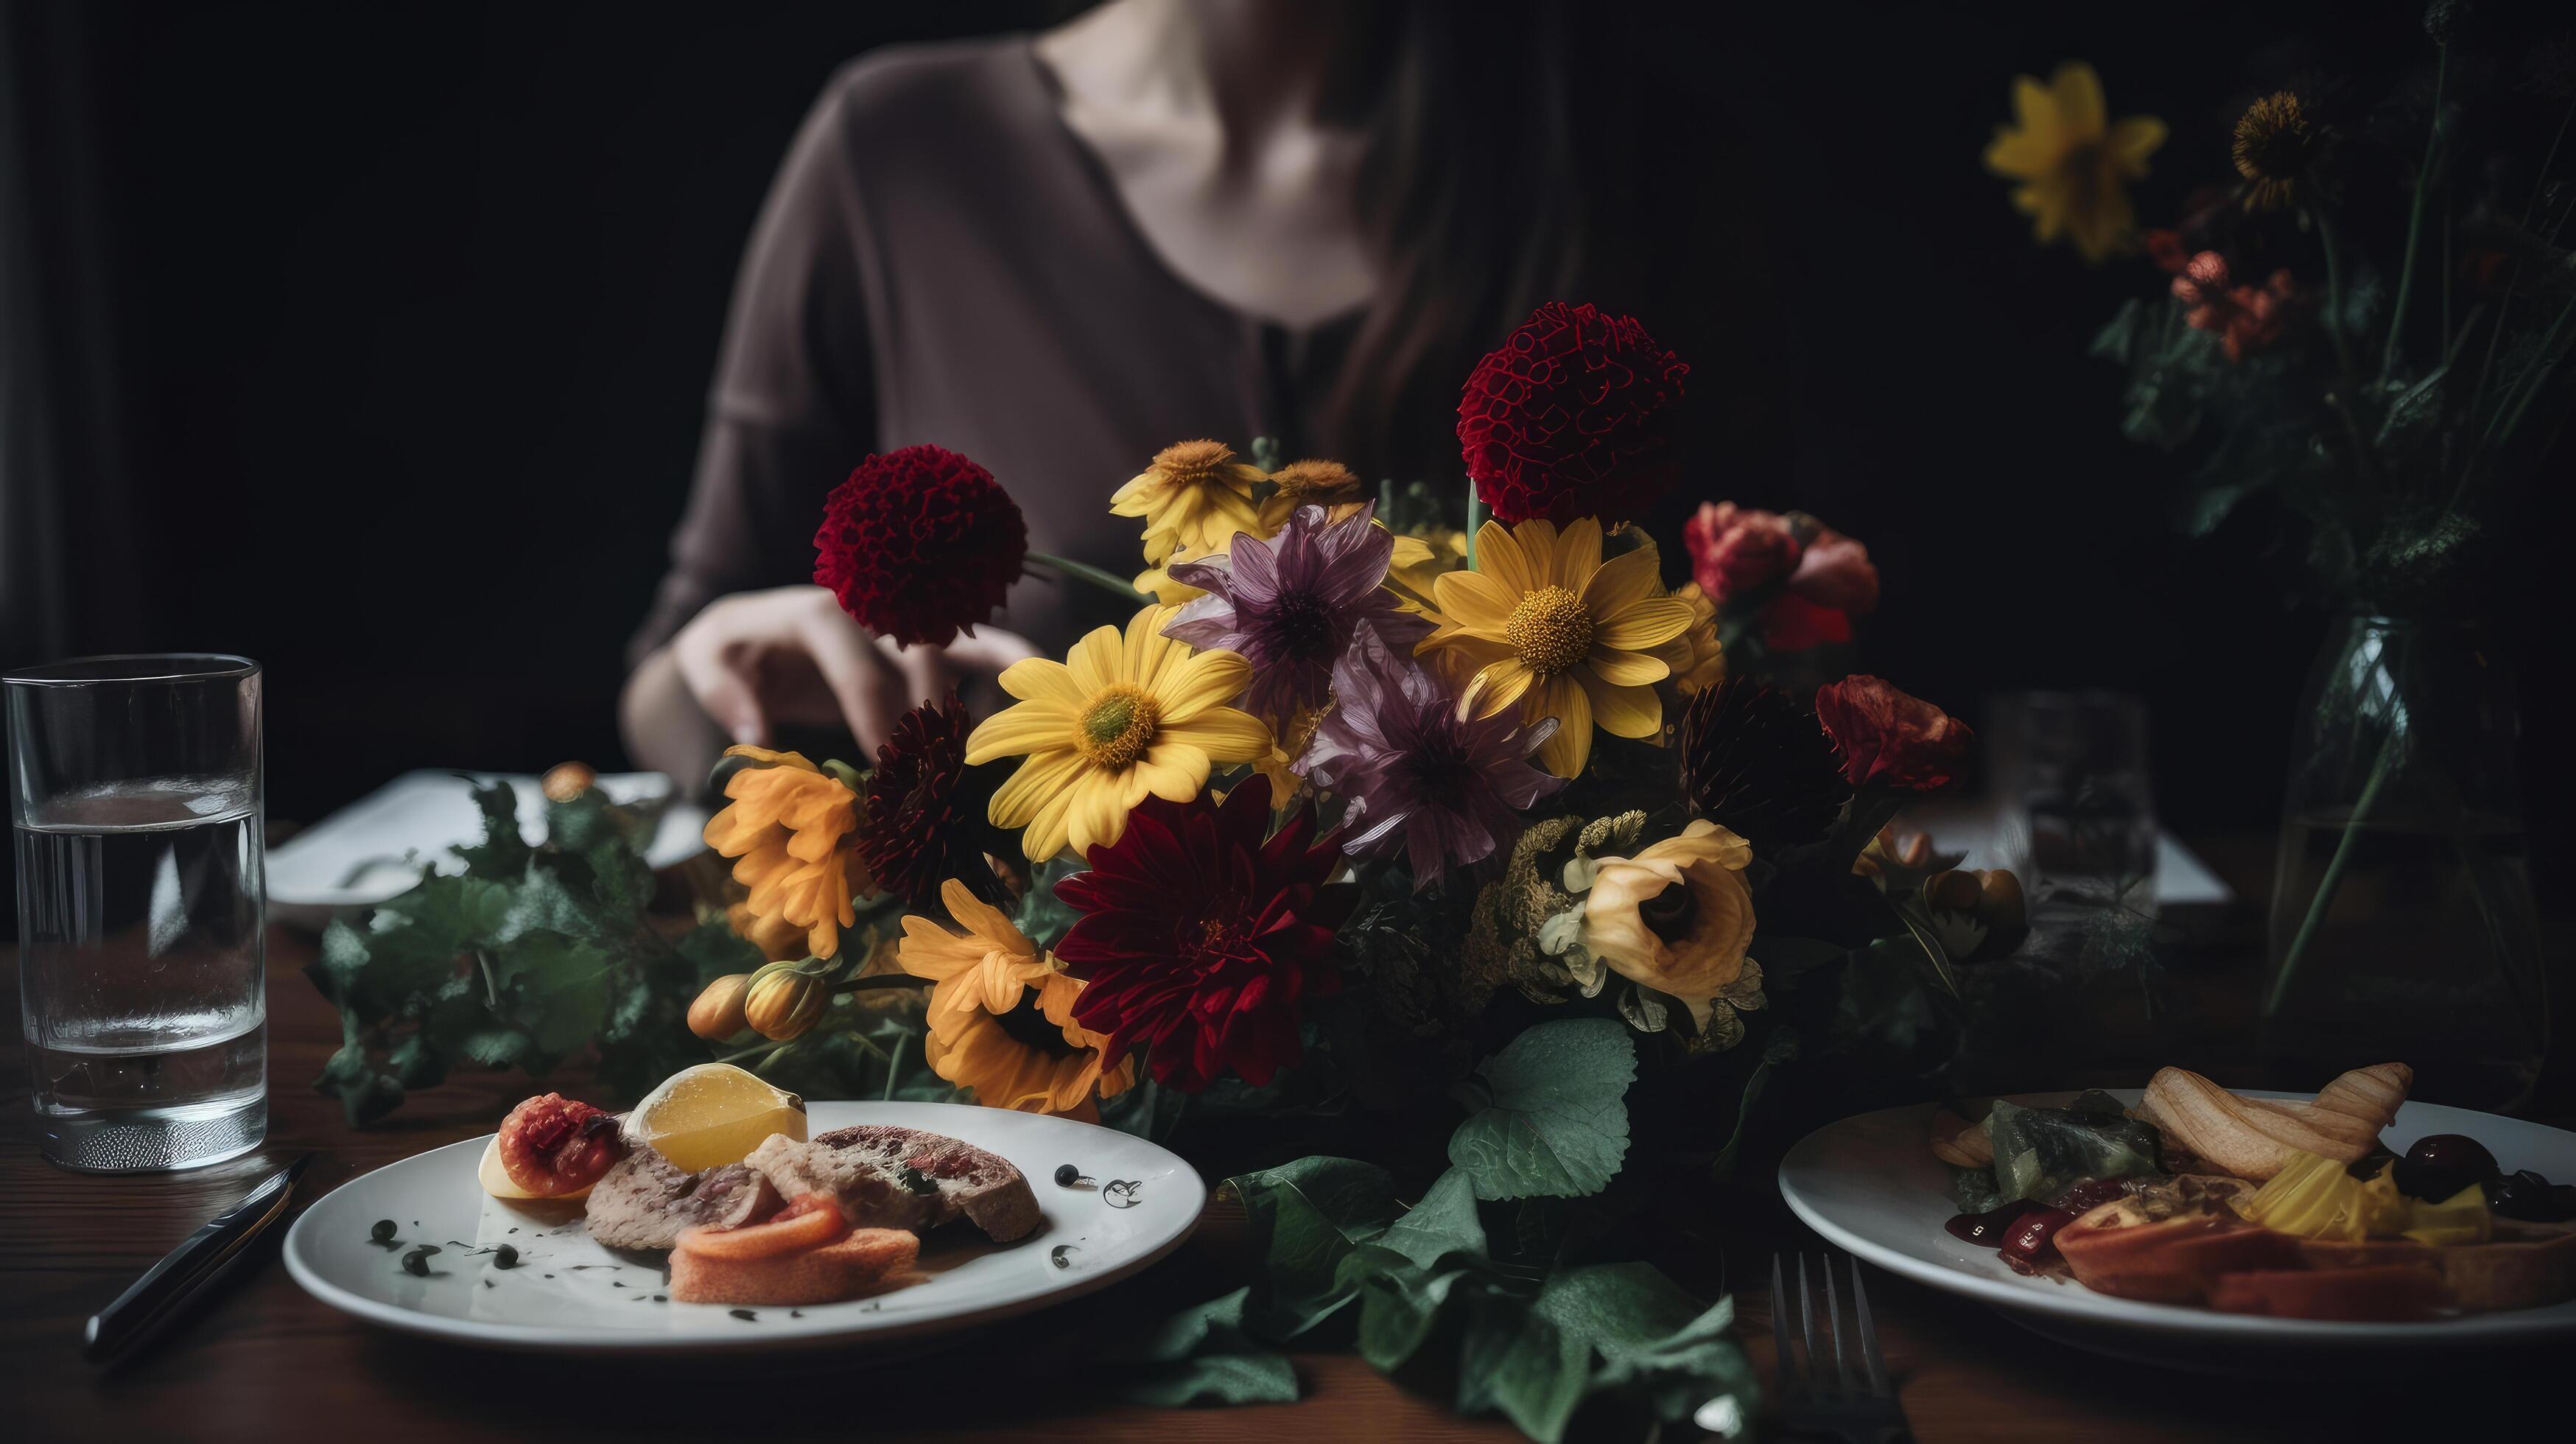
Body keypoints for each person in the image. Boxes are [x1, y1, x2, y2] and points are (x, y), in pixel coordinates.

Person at [620, 0, 1778, 785]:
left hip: (1494, 1058)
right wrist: (728, 666)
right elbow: (664, 698)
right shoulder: (904, 152)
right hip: (1043, 1063)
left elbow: (1746, 659)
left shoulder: (1622, 164)